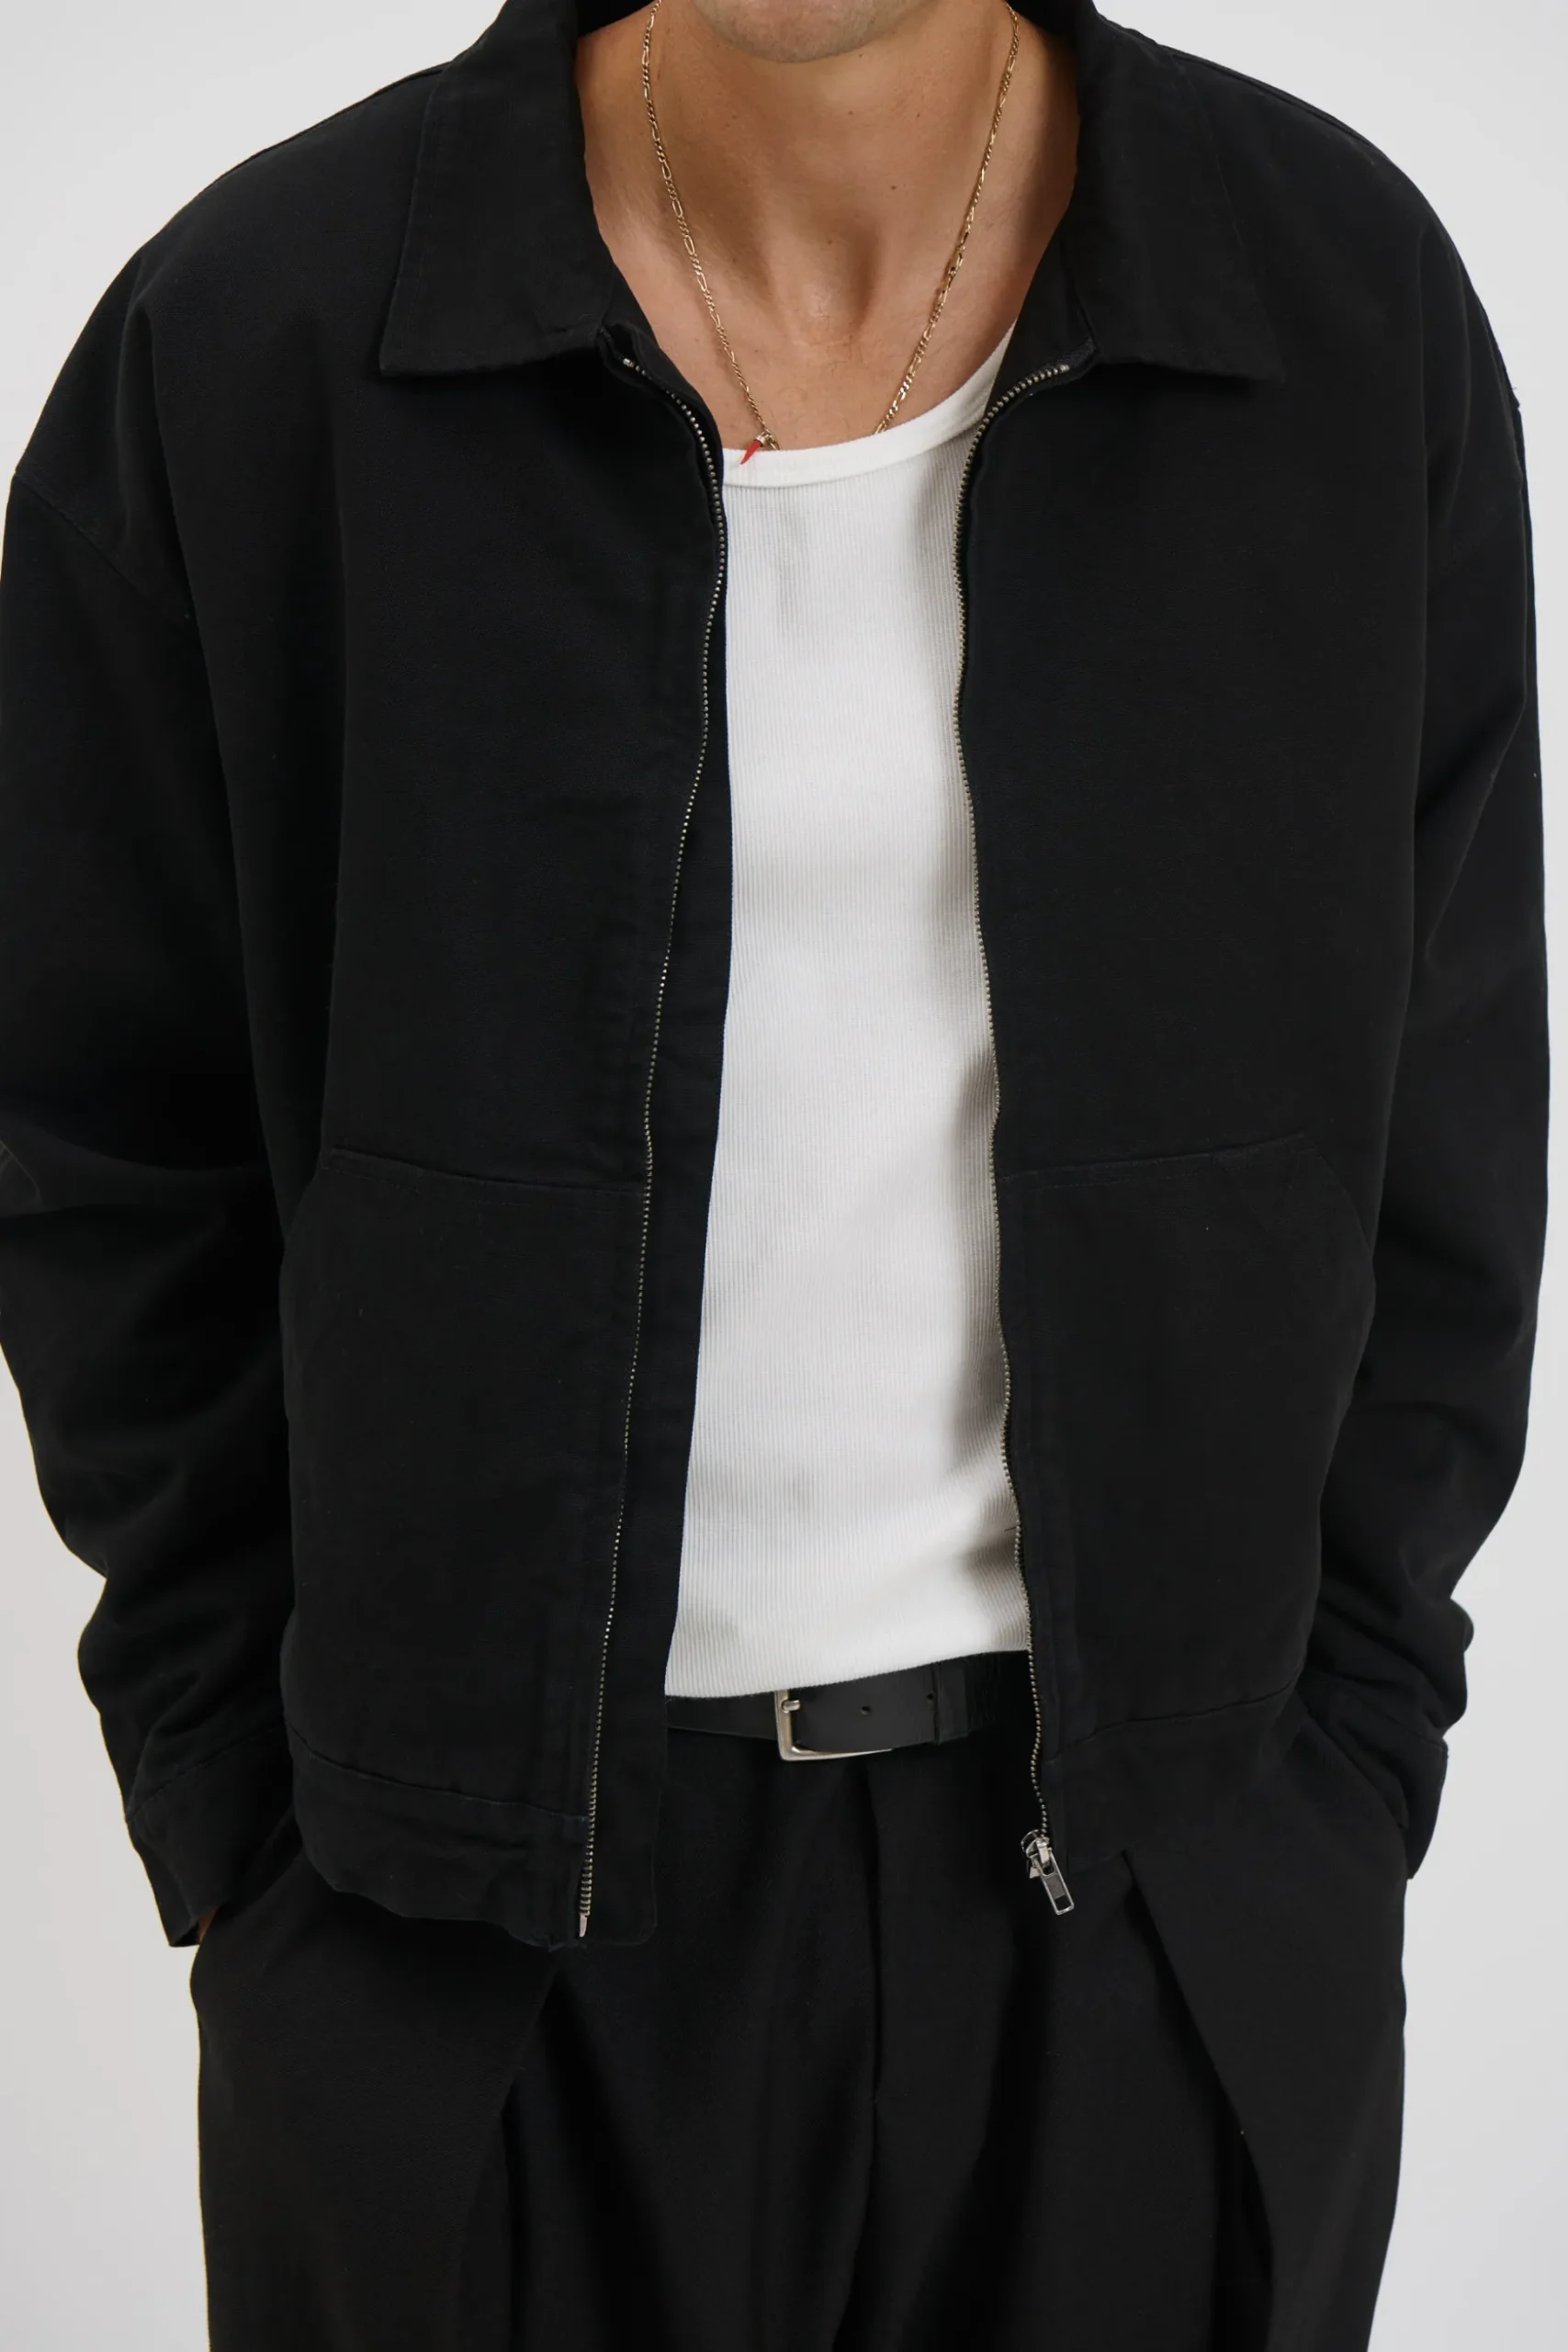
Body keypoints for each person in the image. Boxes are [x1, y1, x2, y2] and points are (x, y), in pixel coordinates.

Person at [0, 0, 1546, 2344]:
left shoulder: (1333, 311)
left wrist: (1329, 1786)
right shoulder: (260, 340)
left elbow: (1447, 1124)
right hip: (459, 1962)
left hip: (1159, 1931)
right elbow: (100, 1140)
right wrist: (251, 1837)